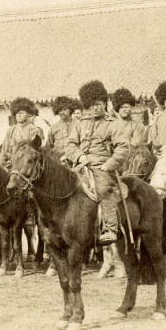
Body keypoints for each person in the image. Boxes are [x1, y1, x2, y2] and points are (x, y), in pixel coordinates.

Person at [64, 80, 126, 245]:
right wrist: (79, 157)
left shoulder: (113, 125)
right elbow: (69, 145)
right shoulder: (80, 124)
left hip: (102, 167)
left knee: (103, 189)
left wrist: (108, 165)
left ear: (105, 104)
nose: (95, 108)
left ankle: (110, 228)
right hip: (80, 166)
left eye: (98, 104)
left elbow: (122, 149)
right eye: (91, 105)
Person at [1, 98, 44, 167]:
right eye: (17, 113)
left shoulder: (34, 130)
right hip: (11, 164)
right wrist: (1, 164)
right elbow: (4, 150)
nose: (19, 115)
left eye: (21, 113)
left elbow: (35, 152)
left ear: (28, 114)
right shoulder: (11, 130)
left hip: (26, 166)